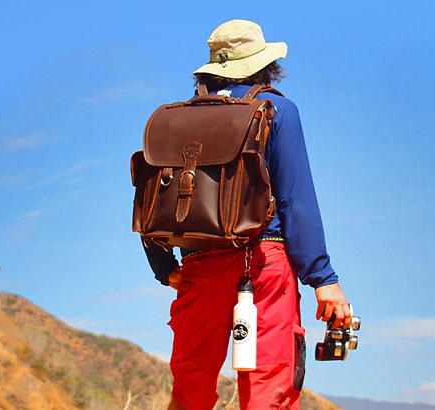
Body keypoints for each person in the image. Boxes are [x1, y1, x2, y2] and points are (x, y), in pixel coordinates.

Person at [142, 19, 351, 410]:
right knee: (268, 387)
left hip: (198, 266)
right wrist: (323, 279)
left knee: (190, 390)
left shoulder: (175, 119)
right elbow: (296, 199)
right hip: (263, 267)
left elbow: (151, 198)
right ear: (264, 65)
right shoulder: (276, 109)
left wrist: (163, 267)